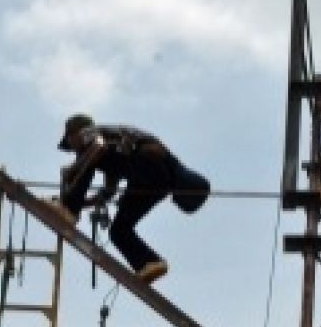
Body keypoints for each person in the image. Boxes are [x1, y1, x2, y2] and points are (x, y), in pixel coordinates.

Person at [52, 113, 210, 283]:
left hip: (148, 162)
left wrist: (73, 173)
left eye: (70, 143)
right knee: (119, 231)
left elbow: (98, 148)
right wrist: (82, 202)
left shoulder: (89, 133)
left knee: (85, 160)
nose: (72, 149)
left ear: (73, 133)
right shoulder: (109, 156)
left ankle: (68, 209)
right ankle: (149, 263)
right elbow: (108, 192)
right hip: (155, 180)